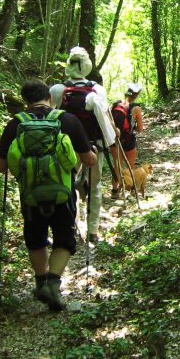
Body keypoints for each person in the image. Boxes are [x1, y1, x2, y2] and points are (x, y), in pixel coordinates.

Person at [0, 79, 96, 311]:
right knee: (64, 239)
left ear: (26, 101)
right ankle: (52, 283)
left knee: (35, 237)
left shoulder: (16, 124)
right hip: (63, 194)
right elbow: (89, 160)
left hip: (30, 195)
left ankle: (40, 281)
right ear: (49, 97)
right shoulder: (67, 120)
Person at [49, 46, 116, 244]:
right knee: (95, 186)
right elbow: (104, 117)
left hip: (64, 148)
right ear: (87, 66)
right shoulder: (97, 90)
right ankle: (93, 230)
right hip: (93, 146)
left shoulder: (57, 90)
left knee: (67, 185)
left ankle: (71, 224)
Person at [110, 82, 145, 194]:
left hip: (115, 138)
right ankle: (131, 189)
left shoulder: (115, 105)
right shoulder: (136, 108)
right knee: (130, 165)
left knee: (116, 166)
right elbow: (140, 129)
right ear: (136, 95)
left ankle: (115, 190)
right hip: (128, 139)